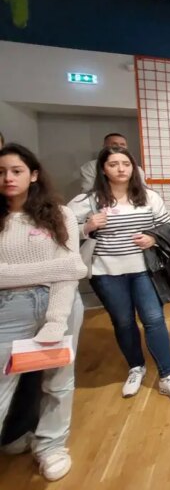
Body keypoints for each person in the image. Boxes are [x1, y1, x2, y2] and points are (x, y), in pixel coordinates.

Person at [69, 146, 170, 401]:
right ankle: (136, 367)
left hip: (144, 269)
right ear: (103, 169)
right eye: (113, 164)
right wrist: (87, 227)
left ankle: (168, 375)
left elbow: (166, 225)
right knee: (123, 321)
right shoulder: (88, 200)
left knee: (154, 319)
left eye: (125, 164)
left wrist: (153, 239)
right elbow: (62, 228)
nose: (121, 169)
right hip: (105, 271)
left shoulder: (147, 196)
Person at [0, 144, 87, 481]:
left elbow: (72, 271)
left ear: (33, 175)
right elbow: (66, 266)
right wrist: (53, 268)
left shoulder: (59, 214)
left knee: (59, 382)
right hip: (8, 309)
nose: (8, 178)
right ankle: (15, 434)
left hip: (61, 304)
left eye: (16, 171)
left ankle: (52, 446)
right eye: (1, 172)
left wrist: (55, 319)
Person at [79, 133, 146, 192]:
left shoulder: (137, 168)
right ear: (104, 146)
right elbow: (87, 190)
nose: (121, 169)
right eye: (114, 144)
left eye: (122, 144)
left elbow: (143, 189)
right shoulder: (91, 166)